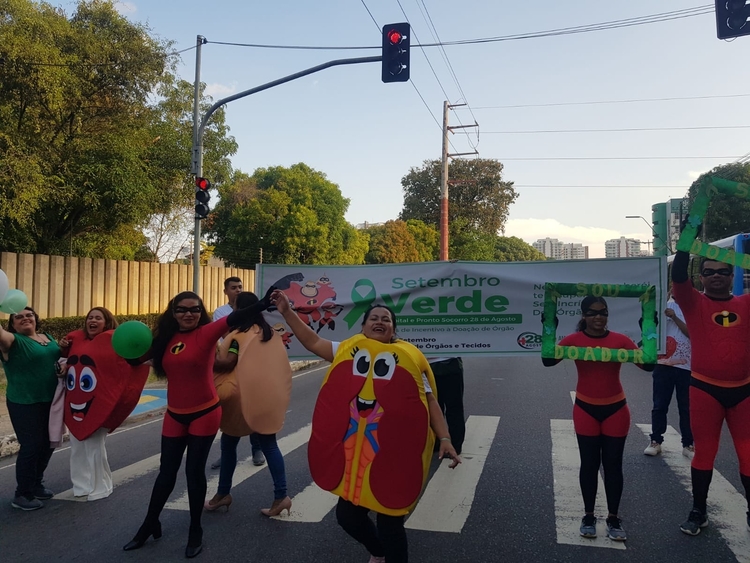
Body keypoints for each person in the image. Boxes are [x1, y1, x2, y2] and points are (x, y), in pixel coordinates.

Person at [272, 290, 460, 563]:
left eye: (386, 319)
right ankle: (378, 551)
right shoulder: (349, 349)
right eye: (374, 318)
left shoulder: (409, 358)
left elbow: (429, 401)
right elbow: (313, 341)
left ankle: (390, 554)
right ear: (363, 326)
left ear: (394, 329)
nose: (380, 321)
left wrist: (444, 438)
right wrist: (288, 312)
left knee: (391, 525)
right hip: (354, 456)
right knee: (347, 517)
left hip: (393, 455)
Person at [123, 289, 274, 558]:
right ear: (173, 312)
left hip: (205, 413)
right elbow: (134, 356)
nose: (188, 314)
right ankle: (149, 524)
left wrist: (262, 303)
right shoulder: (163, 340)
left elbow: (236, 316)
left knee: (194, 473)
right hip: (175, 414)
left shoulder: (206, 333)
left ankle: (195, 530)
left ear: (200, 312)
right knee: (165, 474)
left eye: (194, 309)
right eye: (182, 309)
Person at [542, 296, 654, 542]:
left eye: (603, 312)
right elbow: (548, 361)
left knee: (613, 465)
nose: (598, 317)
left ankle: (613, 518)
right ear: (583, 316)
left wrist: (649, 329)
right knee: (589, 465)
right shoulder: (574, 340)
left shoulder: (619, 340)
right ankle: (589, 515)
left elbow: (648, 366)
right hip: (585, 409)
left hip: (616, 409)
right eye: (592, 313)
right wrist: (548, 328)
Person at [671, 253, 750, 536]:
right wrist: (684, 245)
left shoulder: (746, 303)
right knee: (704, 453)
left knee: (749, 455)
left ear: (732, 277)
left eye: (723, 271)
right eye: (709, 272)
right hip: (705, 390)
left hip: (744, 391)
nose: (716, 275)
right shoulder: (693, 303)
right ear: (701, 278)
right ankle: (699, 510)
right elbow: (679, 275)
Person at [204, 291, 292, 516]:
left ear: (238, 309)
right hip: (267, 399)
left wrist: (207, 358)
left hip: (241, 399)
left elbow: (230, 361)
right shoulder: (269, 333)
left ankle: (223, 493)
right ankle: (281, 495)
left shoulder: (237, 336)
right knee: (270, 445)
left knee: (229, 444)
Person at [59, 307, 149, 500]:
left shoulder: (113, 341)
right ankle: (81, 485)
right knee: (76, 445)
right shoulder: (75, 340)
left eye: (98, 318)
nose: (92, 321)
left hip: (99, 402)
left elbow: (130, 364)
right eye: (90, 317)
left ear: (106, 322)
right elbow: (67, 362)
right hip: (74, 400)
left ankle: (101, 486)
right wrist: (63, 351)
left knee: (94, 445)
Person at [0, 306, 61, 511]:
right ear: (12, 324)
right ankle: (22, 494)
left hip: (51, 400)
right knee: (32, 446)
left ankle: (36, 484)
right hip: (24, 402)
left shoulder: (47, 337)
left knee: (49, 443)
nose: (25, 318)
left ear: (36, 318)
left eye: (29, 315)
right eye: (19, 317)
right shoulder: (12, 341)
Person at [211, 276, 265, 469]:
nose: (238, 290)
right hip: (229, 367)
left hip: (249, 369)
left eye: (240, 287)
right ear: (225, 291)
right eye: (234, 287)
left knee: (252, 410)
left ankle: (256, 450)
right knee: (230, 411)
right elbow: (225, 336)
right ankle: (226, 454)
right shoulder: (221, 312)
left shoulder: (253, 313)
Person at [644, 296, 694, 458]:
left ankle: (688, 444)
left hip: (686, 366)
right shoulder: (663, 305)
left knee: (686, 408)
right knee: (659, 405)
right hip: (664, 364)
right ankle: (656, 441)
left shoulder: (693, 307)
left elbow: (692, 334)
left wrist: (674, 317)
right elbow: (650, 329)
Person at [429, 357, 465, 455]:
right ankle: (451, 445)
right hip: (445, 364)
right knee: (452, 408)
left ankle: (441, 443)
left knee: (437, 407)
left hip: (432, 363)